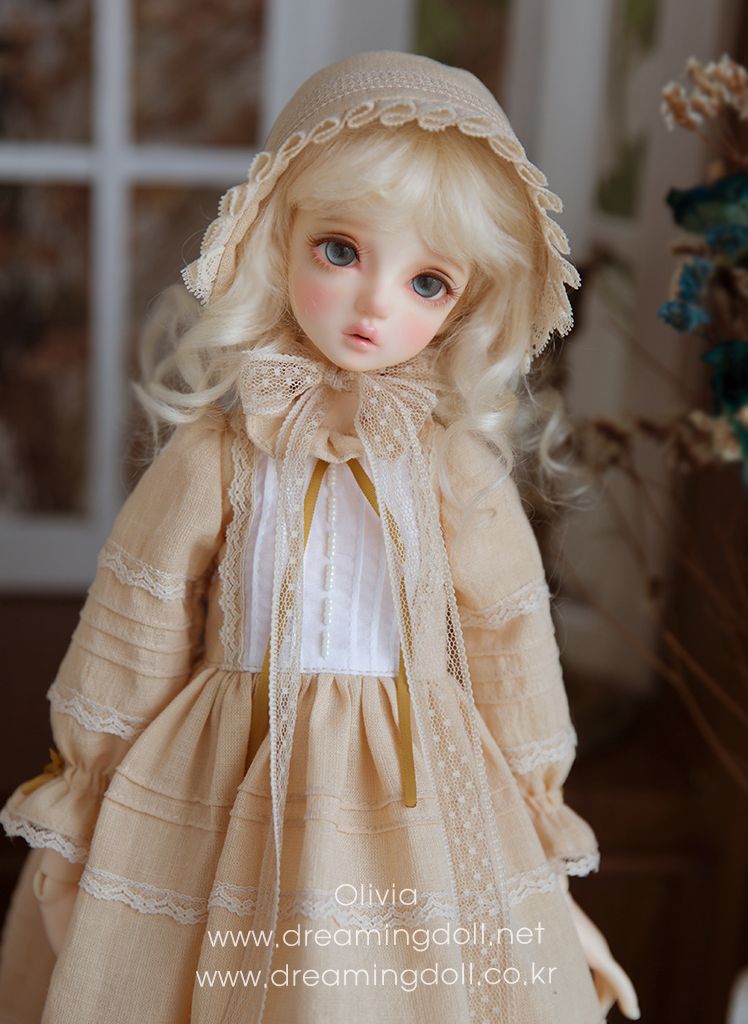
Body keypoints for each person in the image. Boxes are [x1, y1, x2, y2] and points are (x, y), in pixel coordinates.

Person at [0, 50, 639, 1023]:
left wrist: (543, 852)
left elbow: (511, 646)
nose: (376, 303)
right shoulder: (223, 450)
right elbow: (137, 618)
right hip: (227, 780)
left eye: (428, 282)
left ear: (466, 305)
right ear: (277, 239)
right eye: (340, 251)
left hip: (421, 798)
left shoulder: (453, 467)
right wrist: (80, 804)